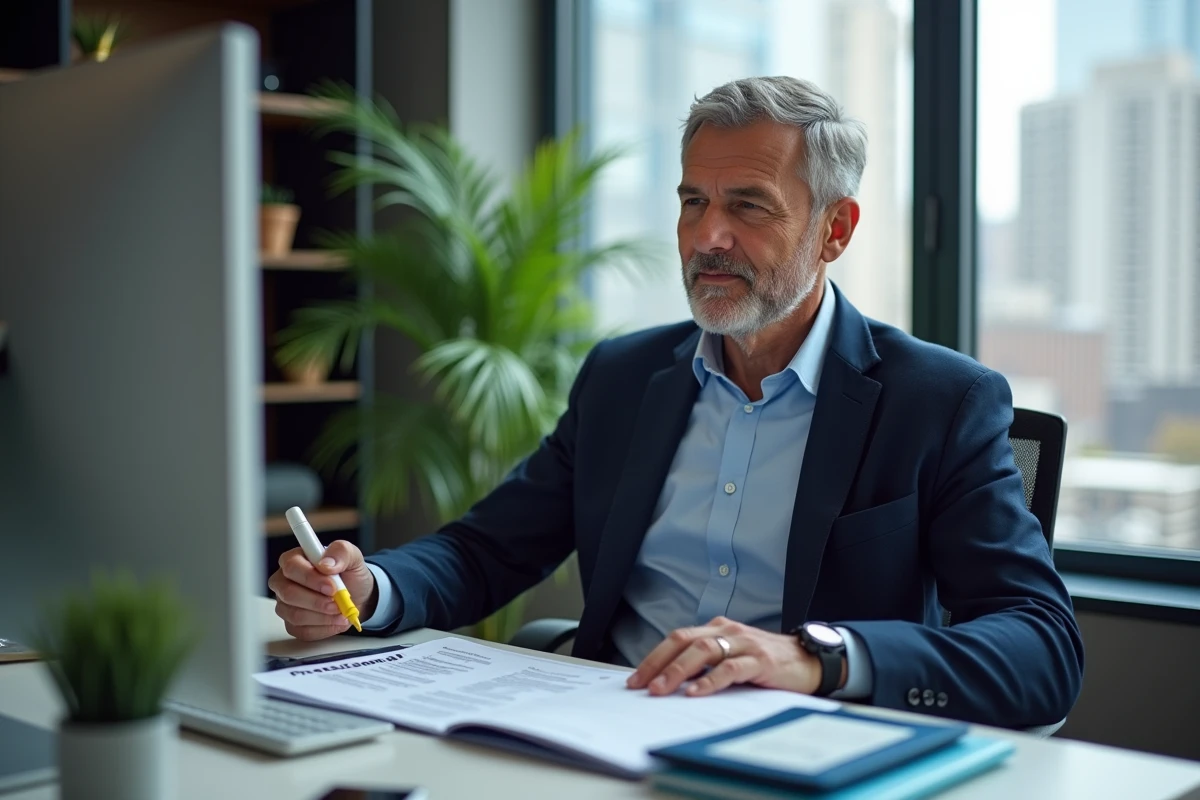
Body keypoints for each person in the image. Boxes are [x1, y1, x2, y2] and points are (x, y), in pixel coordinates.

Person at [268, 76, 1083, 729]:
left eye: (748, 206)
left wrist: (816, 657)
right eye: (694, 201)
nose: (707, 237)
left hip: (795, 747)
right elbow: (488, 551)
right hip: (600, 728)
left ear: (835, 232)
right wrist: (369, 587)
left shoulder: (940, 401)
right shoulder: (625, 377)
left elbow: (1041, 650)